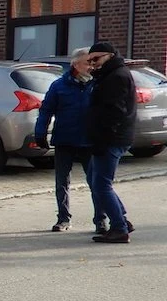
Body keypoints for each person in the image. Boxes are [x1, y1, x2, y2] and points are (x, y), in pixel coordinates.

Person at [34, 48, 96, 233]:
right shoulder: (59, 86)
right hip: (65, 139)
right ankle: (63, 218)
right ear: (75, 64)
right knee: (62, 181)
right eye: (87, 63)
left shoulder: (97, 85)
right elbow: (46, 110)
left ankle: (101, 219)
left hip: (90, 140)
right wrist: (40, 133)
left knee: (96, 182)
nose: (91, 67)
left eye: (92, 63)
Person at [86, 40, 137, 243]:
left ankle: (119, 228)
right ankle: (121, 220)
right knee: (96, 180)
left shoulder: (116, 77)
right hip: (109, 137)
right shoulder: (110, 75)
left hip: (110, 139)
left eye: (96, 59)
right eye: (90, 61)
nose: (93, 64)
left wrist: (103, 140)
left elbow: (114, 112)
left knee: (101, 185)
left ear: (110, 56)